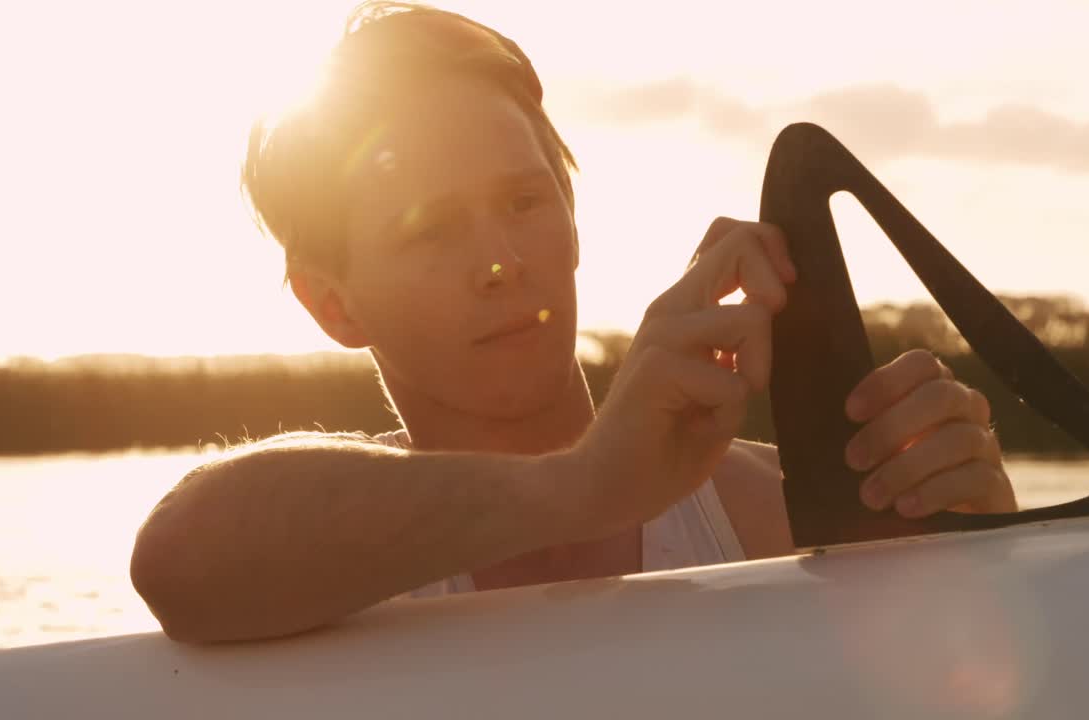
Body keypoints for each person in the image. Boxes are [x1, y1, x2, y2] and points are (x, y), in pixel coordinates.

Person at [129, 2, 1016, 644]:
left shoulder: (766, 511)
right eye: (429, 230)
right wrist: (588, 486)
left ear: (573, 214)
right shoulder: (322, 547)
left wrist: (988, 544)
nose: (500, 262)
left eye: (524, 199)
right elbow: (174, 558)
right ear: (335, 304)